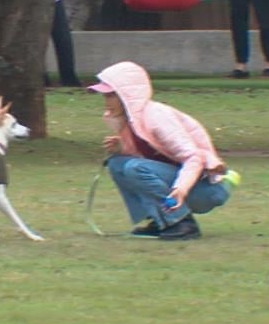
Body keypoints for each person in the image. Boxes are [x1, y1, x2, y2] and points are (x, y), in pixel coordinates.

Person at [88, 61, 241, 241]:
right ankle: (160, 220)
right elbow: (155, 155)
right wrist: (123, 149)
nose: (106, 101)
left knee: (134, 168)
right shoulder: (131, 120)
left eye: (111, 95)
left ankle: (182, 223)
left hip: (204, 191)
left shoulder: (156, 117)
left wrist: (181, 189)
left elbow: (194, 157)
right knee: (117, 163)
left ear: (125, 94)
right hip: (184, 186)